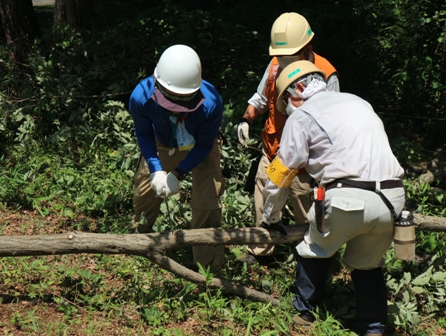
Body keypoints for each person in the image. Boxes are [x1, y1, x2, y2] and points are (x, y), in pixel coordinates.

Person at [261, 60, 405, 336]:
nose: (288, 108)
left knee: (313, 248)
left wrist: (271, 217)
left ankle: (304, 311)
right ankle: (374, 326)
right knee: (368, 264)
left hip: (346, 199)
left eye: (287, 101)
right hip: (392, 198)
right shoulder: (359, 102)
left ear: (298, 89)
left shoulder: (302, 117)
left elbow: (281, 174)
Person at [237, 12, 340, 264]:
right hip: (273, 150)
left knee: (306, 212)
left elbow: (334, 122)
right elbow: (261, 98)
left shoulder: (326, 74)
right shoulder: (274, 65)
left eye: (290, 57)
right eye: (282, 57)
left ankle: (311, 258)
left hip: (305, 161)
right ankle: (261, 252)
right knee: (264, 202)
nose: (284, 63)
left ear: (308, 47)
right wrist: (246, 119)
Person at [128, 44, 225, 272]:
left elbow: (203, 145)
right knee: (145, 193)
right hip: (163, 143)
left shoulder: (211, 102)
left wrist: (178, 173)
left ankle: (208, 267)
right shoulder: (140, 97)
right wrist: (156, 169)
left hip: (201, 146)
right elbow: (143, 133)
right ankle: (140, 245)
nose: (175, 108)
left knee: (207, 203)